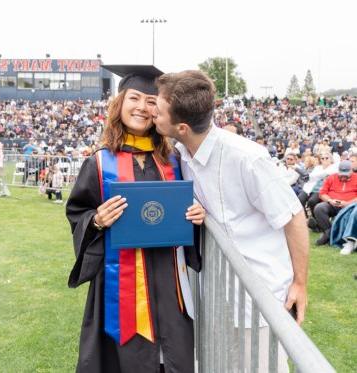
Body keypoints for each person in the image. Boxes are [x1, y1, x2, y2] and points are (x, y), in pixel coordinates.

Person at [153, 70, 309, 373]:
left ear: (182, 127)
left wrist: (301, 283)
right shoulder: (182, 153)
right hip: (220, 291)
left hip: (262, 296)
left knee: (262, 366)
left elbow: (293, 217)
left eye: (158, 111)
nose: (152, 114)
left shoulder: (247, 158)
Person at [66, 65, 205, 373]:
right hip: (120, 284)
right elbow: (78, 213)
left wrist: (197, 215)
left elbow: (192, 208)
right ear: (120, 103)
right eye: (135, 98)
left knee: (173, 358)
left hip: (169, 279)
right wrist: (97, 219)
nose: (142, 107)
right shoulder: (99, 163)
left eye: (151, 100)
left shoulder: (175, 160)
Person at [313, 160, 357, 245]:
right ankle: (328, 233)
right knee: (319, 208)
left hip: (350, 206)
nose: (344, 177)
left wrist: (347, 203)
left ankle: (329, 236)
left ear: (352, 170)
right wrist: (330, 200)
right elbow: (322, 193)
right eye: (342, 174)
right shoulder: (331, 177)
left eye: (346, 175)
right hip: (333, 203)